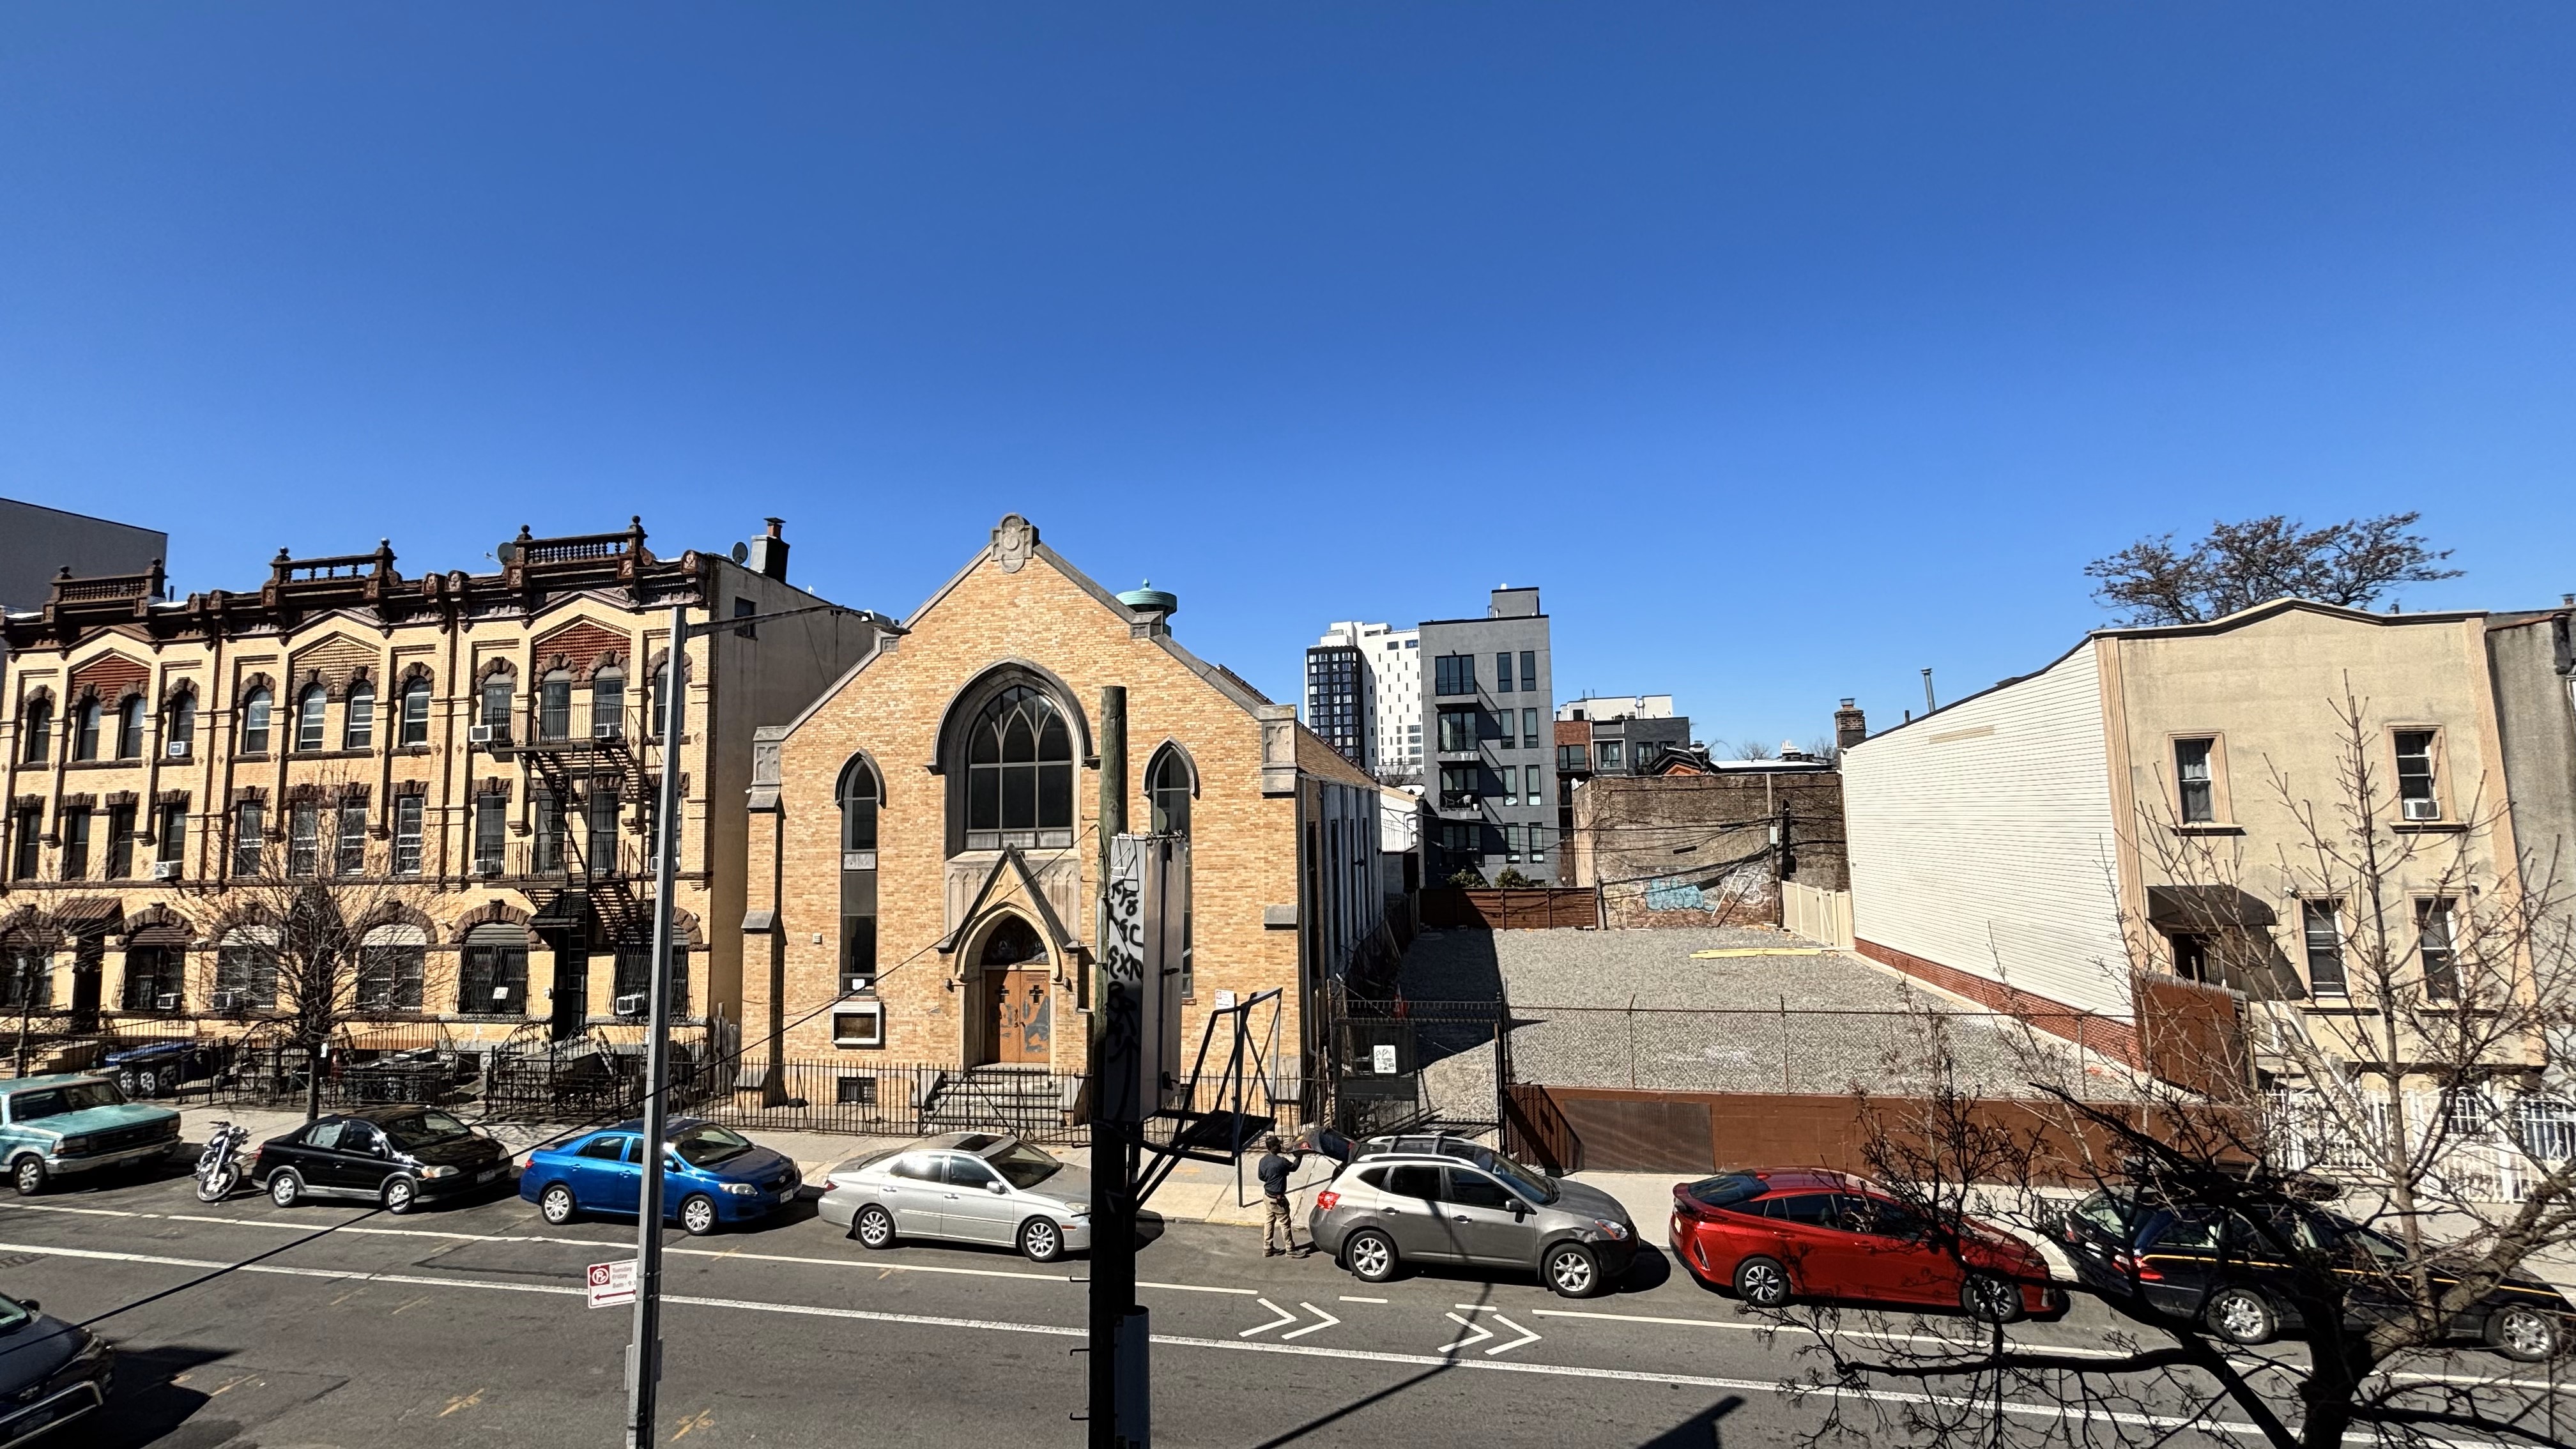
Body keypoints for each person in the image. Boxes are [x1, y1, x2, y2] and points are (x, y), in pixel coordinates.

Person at [1257, 1135, 1305, 1257]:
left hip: (1268, 1197)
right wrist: (1299, 1156)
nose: (1280, 1146)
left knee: (1270, 1221)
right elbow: (1294, 1167)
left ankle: (1267, 1248)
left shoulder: (1263, 1161)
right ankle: (1290, 1249)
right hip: (1278, 1199)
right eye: (1278, 1144)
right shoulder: (1281, 1162)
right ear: (1273, 1147)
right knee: (1285, 1223)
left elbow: (1261, 1177)